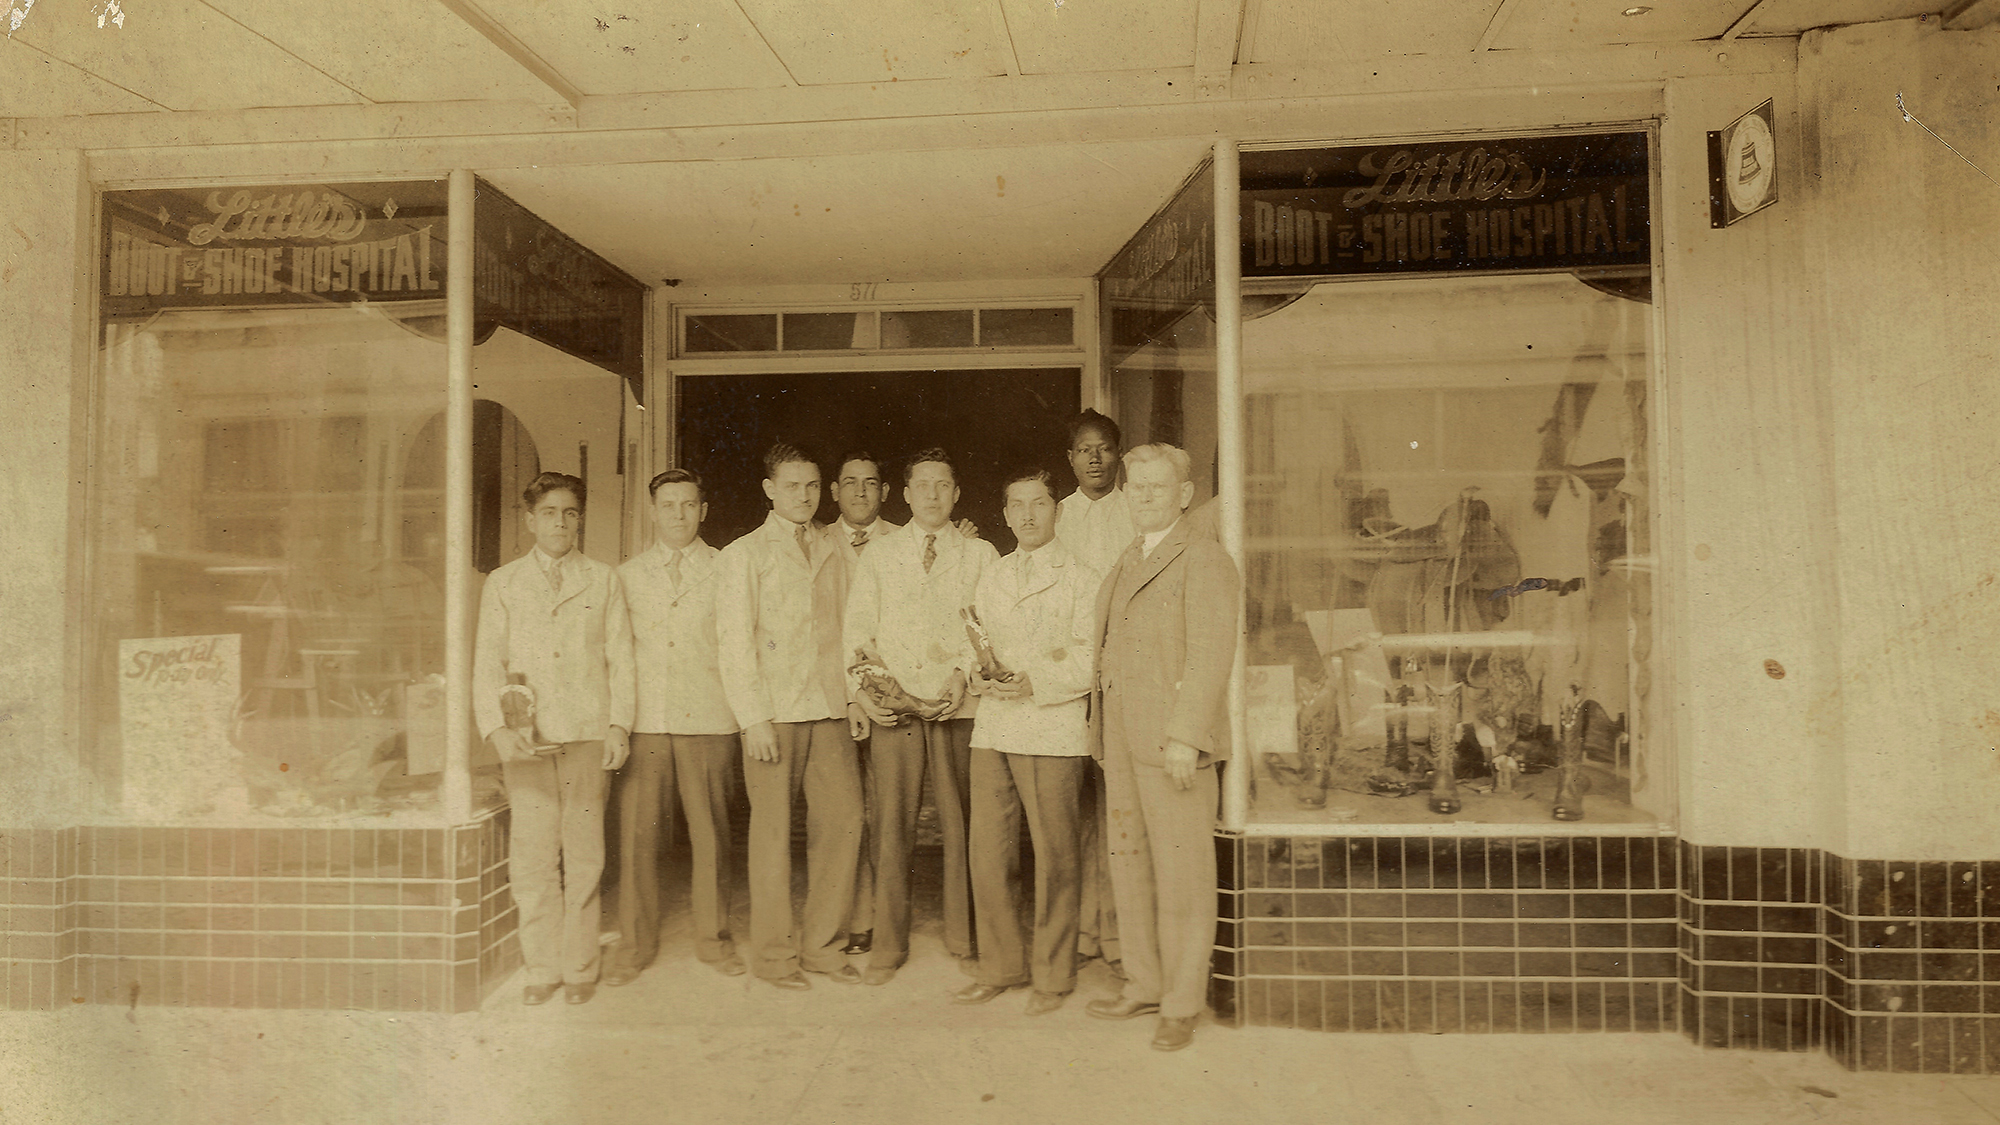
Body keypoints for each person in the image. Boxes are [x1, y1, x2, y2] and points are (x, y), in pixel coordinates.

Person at [1085, 443, 1238, 1051]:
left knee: (1184, 875)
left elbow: (1210, 654)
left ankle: (1181, 1001)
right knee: (1131, 862)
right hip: (1121, 739)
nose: (1144, 495)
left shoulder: (1204, 558)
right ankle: (1145, 982)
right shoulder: (1128, 557)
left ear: (1185, 494)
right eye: (1136, 486)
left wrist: (1185, 735)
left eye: (1158, 486)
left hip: (1170, 742)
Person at [473, 471, 634, 1006]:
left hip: (587, 734)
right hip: (527, 742)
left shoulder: (603, 579)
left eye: (569, 513)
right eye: (548, 514)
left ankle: (580, 965)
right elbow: (485, 665)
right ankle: (542, 965)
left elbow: (621, 660)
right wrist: (496, 729)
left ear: (580, 519)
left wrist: (618, 726)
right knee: (534, 855)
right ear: (530, 520)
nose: (560, 523)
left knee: (585, 854)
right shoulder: (504, 583)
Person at [843, 448, 998, 986]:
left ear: (956, 494)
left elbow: (987, 627)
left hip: (960, 705)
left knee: (964, 823)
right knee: (890, 824)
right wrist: (872, 692)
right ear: (904, 495)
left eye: (943, 484)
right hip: (897, 705)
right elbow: (859, 633)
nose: (932, 494)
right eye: (922, 485)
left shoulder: (980, 554)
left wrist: (961, 673)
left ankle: (965, 936)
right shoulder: (880, 556)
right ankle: (887, 943)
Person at [715, 443, 865, 990]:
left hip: (827, 709)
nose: (803, 497)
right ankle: (776, 957)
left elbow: (852, 631)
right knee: (773, 835)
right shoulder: (743, 556)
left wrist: (853, 698)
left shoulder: (834, 547)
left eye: (811, 486)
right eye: (791, 486)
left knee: (844, 824)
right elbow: (734, 645)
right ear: (769, 489)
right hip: (773, 716)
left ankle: (824, 948)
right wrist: (752, 717)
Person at [953, 469, 1098, 1016]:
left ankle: (1054, 976)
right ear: (1007, 514)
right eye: (1019, 505)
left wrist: (1038, 679)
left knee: (1057, 854)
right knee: (988, 852)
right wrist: (977, 674)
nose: (1030, 515)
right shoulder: (993, 576)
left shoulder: (1084, 576)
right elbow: (976, 643)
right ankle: (1001, 965)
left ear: (1056, 510)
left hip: (1053, 727)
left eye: (1040, 503)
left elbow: (1090, 656)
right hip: (994, 726)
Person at [606, 468, 744, 985]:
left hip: (709, 720)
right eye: (669, 505)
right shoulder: (627, 575)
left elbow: (736, 647)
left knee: (712, 835)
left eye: (689, 505)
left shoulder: (727, 568)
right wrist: (620, 721)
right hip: (648, 722)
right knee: (639, 839)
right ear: (653, 510)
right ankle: (633, 947)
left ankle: (714, 940)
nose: (679, 515)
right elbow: (618, 656)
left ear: (703, 510)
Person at [1055, 409, 1133, 978]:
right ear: (1071, 459)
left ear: (1118, 455)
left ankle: (1118, 930)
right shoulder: (1052, 516)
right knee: (1075, 809)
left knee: (1119, 807)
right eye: (1085, 450)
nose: (1095, 459)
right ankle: (1083, 929)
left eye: (1104, 448)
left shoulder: (1138, 511)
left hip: (1124, 675)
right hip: (1069, 679)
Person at [826, 452, 898, 957]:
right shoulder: (811, 540)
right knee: (845, 813)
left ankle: (887, 916)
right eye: (850, 483)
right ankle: (857, 916)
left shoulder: (908, 541)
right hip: (833, 697)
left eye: (870, 484)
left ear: (886, 492)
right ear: (834, 492)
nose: (860, 493)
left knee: (884, 810)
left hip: (890, 697)